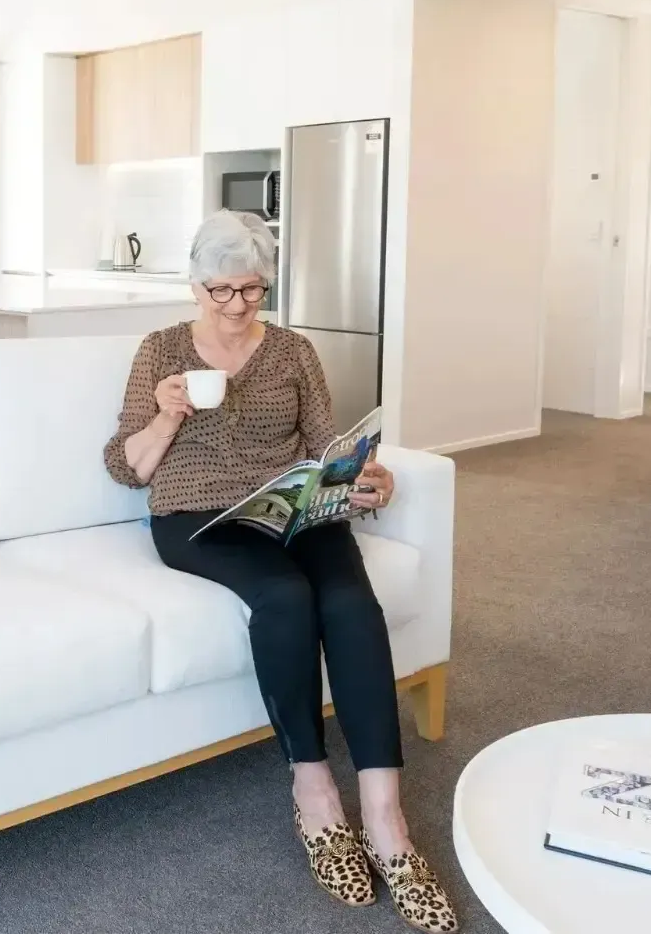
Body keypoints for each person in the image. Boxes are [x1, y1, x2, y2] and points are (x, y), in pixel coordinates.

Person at [102, 210, 457, 934]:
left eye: (252, 290)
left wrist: (365, 479)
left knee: (352, 605)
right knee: (286, 597)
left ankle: (387, 820)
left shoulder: (293, 350)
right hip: (200, 519)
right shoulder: (161, 351)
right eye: (220, 290)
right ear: (195, 284)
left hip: (294, 507)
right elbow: (125, 468)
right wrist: (167, 416)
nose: (236, 306)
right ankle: (316, 791)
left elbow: (327, 441)